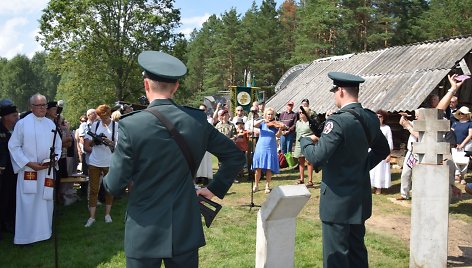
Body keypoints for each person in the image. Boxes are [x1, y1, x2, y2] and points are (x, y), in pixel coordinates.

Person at [103, 51, 245, 267]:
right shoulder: (196, 120)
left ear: (146, 85)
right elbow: (234, 156)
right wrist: (214, 188)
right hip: (184, 225)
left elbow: (114, 185)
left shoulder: (131, 125)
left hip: (143, 227)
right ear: (176, 86)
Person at [300, 72, 389, 267]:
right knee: (357, 253)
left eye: (334, 92)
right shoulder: (370, 118)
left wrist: (305, 140)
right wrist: (363, 166)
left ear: (340, 91)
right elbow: (383, 149)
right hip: (359, 198)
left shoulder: (338, 121)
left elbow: (316, 157)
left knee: (336, 257)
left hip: (337, 200)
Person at [8, 93, 62, 244]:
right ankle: (25, 237)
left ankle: (44, 233)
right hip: (28, 171)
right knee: (28, 202)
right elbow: (13, 146)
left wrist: (53, 160)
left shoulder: (51, 124)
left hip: (46, 171)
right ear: (31, 107)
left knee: (45, 202)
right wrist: (28, 163)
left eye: (44, 105)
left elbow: (57, 146)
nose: (43, 108)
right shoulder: (22, 124)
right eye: (39, 105)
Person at [83, 104, 117, 227]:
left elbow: (118, 145)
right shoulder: (95, 125)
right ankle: (91, 217)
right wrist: (94, 141)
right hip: (94, 161)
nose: (102, 119)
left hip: (109, 161)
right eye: (100, 116)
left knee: (109, 188)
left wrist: (108, 142)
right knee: (93, 189)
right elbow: (87, 145)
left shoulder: (116, 126)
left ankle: (107, 214)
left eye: (104, 116)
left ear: (108, 114)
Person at [252, 107, 284, 194]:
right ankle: (256, 185)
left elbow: (278, 136)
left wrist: (280, 129)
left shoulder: (275, 124)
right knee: (258, 167)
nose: (270, 116)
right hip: (261, 146)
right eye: (268, 114)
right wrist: (263, 119)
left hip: (271, 146)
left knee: (269, 167)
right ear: (266, 114)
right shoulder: (262, 123)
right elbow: (254, 125)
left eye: (271, 114)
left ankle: (267, 186)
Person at [0, 102, 19, 238]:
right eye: (14, 115)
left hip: (12, 170)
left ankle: (9, 222)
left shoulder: (15, 130)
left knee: (10, 196)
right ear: (6, 117)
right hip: (2, 170)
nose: (17, 117)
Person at [396, 109, 421, 201]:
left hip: (420, 153)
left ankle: (417, 195)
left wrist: (409, 127)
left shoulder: (426, 125)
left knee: (417, 175)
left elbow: (418, 135)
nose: (416, 117)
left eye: (418, 116)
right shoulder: (414, 123)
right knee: (405, 173)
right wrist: (404, 116)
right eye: (416, 115)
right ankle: (404, 194)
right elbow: (402, 123)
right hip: (410, 152)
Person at [370, 109, 393, 194]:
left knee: (380, 171)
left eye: (380, 116)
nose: (378, 118)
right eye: (376, 116)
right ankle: (371, 186)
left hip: (382, 152)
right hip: (371, 151)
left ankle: (379, 188)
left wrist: (389, 154)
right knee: (372, 170)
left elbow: (390, 142)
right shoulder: (372, 127)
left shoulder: (386, 128)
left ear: (383, 118)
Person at [293, 107, 314, 188]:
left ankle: (310, 180)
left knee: (309, 162)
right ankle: (301, 179)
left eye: (302, 112)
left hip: (308, 144)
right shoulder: (298, 122)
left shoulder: (311, 123)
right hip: (299, 144)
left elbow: (315, 134)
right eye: (299, 112)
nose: (301, 114)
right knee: (301, 162)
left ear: (307, 113)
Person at [451, 106, 472, 185]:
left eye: (462, 113)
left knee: (464, 161)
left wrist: (463, 144)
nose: (461, 114)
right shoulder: (455, 123)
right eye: (460, 113)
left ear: (467, 115)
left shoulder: (470, 123)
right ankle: (457, 175)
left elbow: (470, 135)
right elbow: (451, 133)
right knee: (455, 160)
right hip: (456, 144)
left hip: (467, 144)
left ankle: (463, 177)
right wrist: (454, 143)